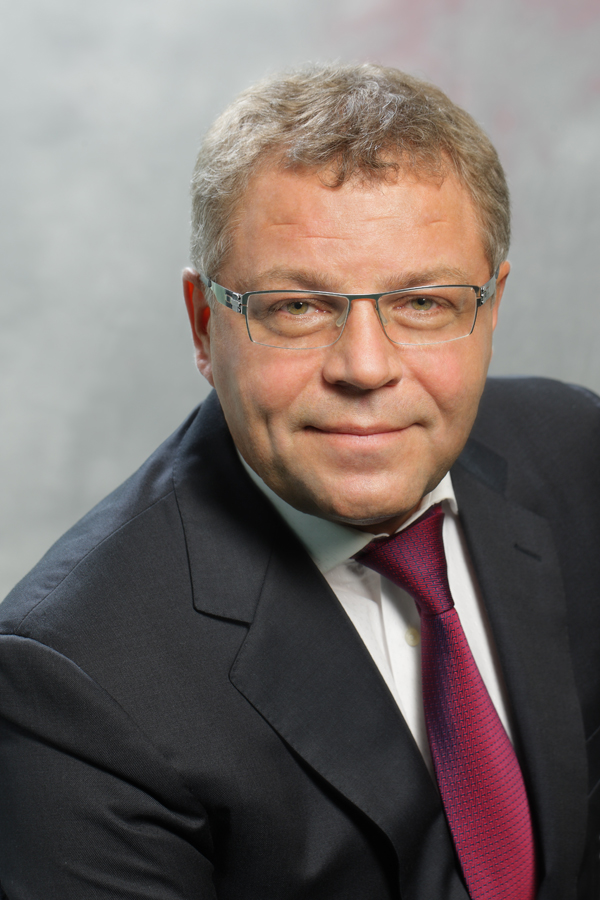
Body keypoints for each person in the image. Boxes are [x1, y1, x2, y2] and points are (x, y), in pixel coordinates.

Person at [0, 63, 598, 900]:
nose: (366, 367)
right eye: (297, 307)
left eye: (423, 302)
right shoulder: (71, 680)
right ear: (205, 325)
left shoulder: (575, 453)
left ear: (489, 307)